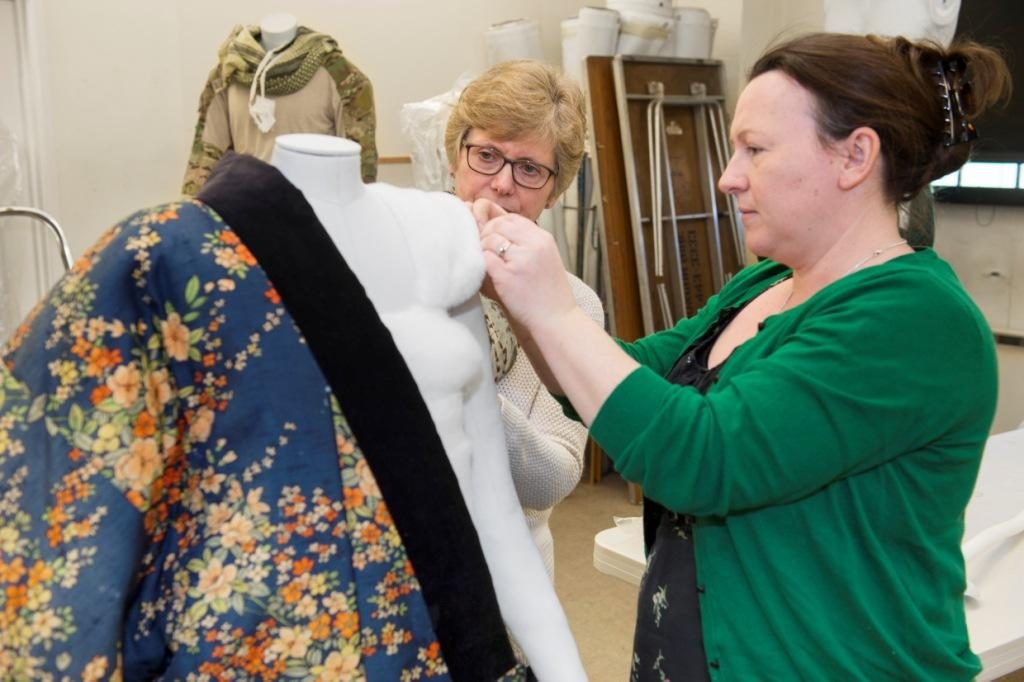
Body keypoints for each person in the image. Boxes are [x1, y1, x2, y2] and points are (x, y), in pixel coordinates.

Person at [473, 33, 1010, 680]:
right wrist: (515, 297)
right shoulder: (764, 283)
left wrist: (552, 307)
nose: (727, 178)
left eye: (754, 149)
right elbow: (632, 375)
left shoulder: (917, 321)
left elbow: (702, 458)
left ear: (854, 156)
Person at [444, 60, 605, 582]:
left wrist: (460, 383)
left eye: (529, 168)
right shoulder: (396, 262)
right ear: (455, 157)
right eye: (486, 155)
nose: (501, 184)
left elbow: (552, 481)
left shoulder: (573, 303)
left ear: (554, 191)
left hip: (509, 572)